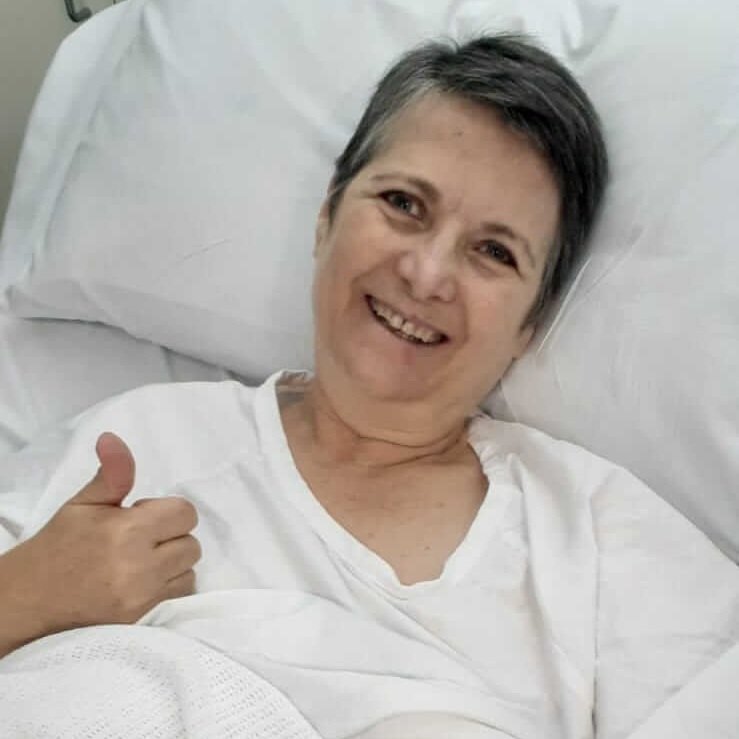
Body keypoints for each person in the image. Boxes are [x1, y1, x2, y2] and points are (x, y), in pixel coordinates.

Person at [1, 34, 737, 739]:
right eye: (404, 204)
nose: (426, 274)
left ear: (530, 324)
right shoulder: (138, 446)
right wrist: (25, 595)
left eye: (493, 251)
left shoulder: (596, 538)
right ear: (327, 216)